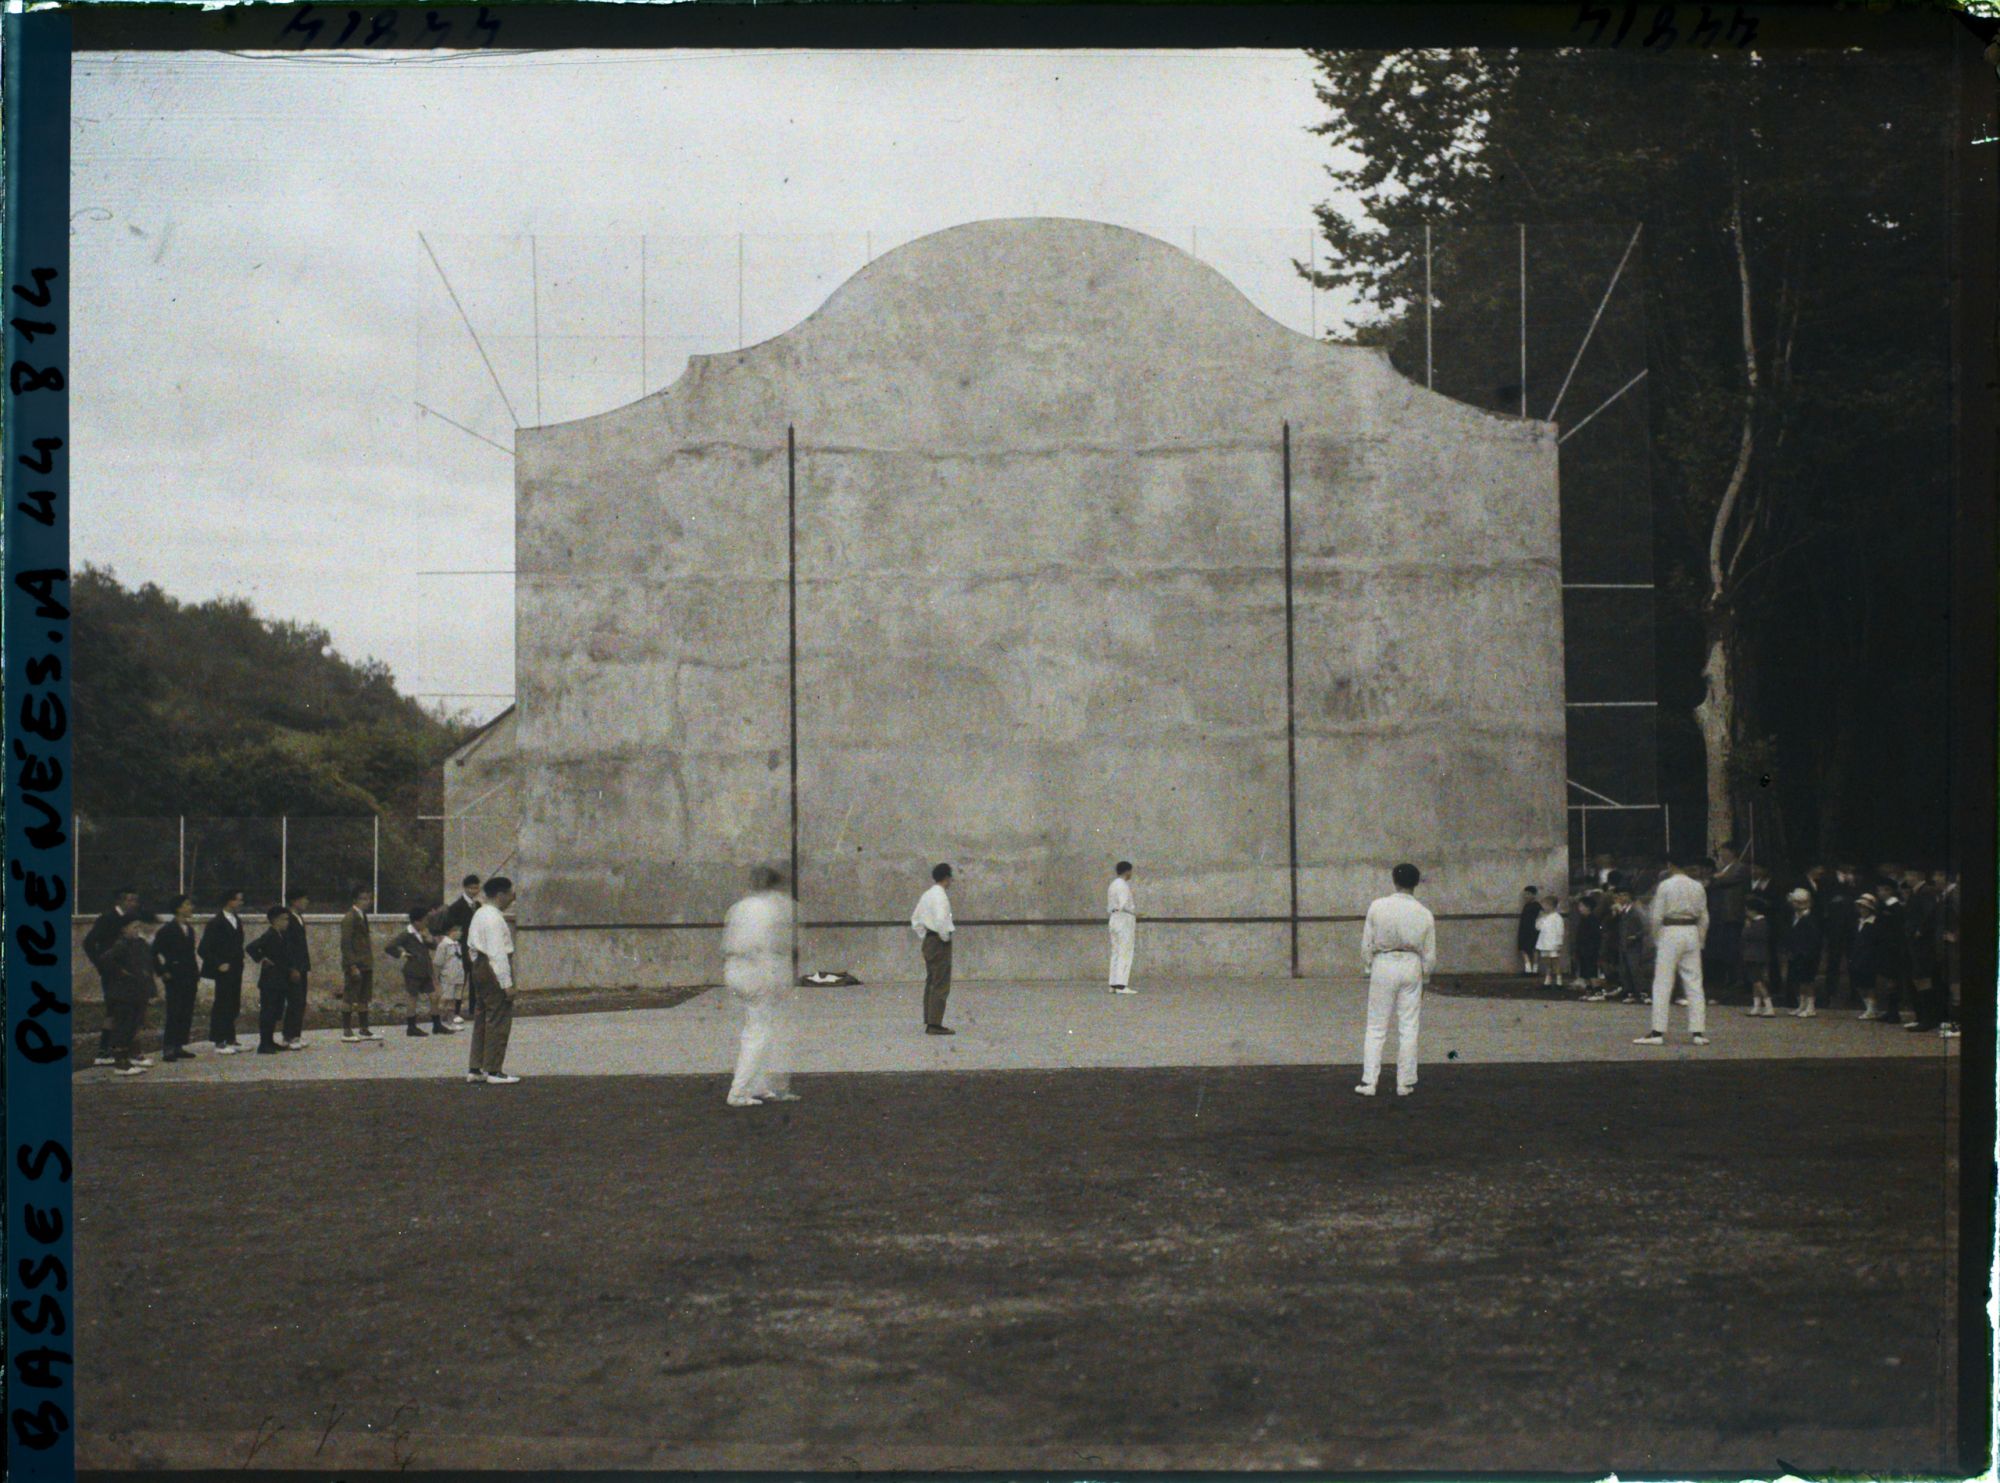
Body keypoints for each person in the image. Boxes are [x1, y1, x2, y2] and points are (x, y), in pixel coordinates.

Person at [1355, 863, 1437, 1098]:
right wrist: (1426, 976)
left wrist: (1369, 967)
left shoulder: (1378, 906)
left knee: (1376, 1026)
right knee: (1409, 1026)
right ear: (1416, 883)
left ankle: (1369, 1082)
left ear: (1394, 880)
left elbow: (1366, 942)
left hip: (1384, 963)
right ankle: (1405, 1083)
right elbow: (1429, 953)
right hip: (1412, 965)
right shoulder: (1424, 913)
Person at [722, 865, 800, 1107]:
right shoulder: (771, 908)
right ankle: (739, 1092)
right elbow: (772, 945)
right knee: (760, 1031)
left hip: (735, 970)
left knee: (757, 1027)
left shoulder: (739, 907)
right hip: (756, 971)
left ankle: (758, 1086)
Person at [1634, 852, 1709, 1047]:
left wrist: (1657, 938)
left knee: (1663, 982)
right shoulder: (1698, 886)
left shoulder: (1666, 885)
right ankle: (1698, 1032)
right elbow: (1704, 916)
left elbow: (1656, 915)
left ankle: (1657, 1031)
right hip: (1691, 931)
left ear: (1671, 865)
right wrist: (1700, 940)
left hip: (1670, 931)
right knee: (1694, 982)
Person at [466, 876, 520, 1084]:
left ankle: (476, 1067)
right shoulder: (493, 918)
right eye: (510, 894)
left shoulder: (480, 914)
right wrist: (506, 984)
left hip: (479, 966)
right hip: (492, 967)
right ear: (501, 894)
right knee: (498, 1017)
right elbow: (497, 953)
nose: (512, 899)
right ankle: (494, 1070)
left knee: (482, 1017)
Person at [84, 885, 142, 1067]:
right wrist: (102, 966)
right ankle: (104, 1050)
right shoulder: (108, 918)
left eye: (135, 900)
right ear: (120, 901)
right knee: (114, 1010)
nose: (133, 903)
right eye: (129, 900)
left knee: (130, 1011)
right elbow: (89, 943)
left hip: (129, 973)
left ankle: (125, 1049)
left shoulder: (130, 919)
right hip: (113, 972)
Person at [100, 912, 161, 1075]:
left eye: (138, 927)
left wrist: (152, 991)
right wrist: (121, 973)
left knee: (134, 1025)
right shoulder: (121, 945)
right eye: (134, 927)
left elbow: (148, 969)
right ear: (124, 929)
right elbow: (105, 961)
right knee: (123, 1026)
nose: (137, 930)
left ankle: (130, 1057)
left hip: (138, 993)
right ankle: (120, 1063)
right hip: (123, 994)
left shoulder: (140, 944)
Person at [152, 893, 202, 1062]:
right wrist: (162, 971)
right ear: (179, 908)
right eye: (188, 905)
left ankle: (179, 1045)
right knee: (174, 1011)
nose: (191, 908)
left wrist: (196, 973)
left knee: (186, 1012)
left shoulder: (189, 929)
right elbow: (153, 953)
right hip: (174, 977)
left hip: (190, 976)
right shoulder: (167, 930)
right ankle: (168, 1047)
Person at [198, 888, 248, 1053]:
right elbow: (204, 949)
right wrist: (218, 963)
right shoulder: (216, 923)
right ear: (229, 901)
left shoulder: (236, 920)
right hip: (224, 970)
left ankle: (230, 1037)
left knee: (233, 1003)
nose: (241, 903)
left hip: (235, 968)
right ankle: (219, 1040)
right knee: (222, 1003)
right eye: (238, 899)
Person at [910, 863, 956, 1036]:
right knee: (941, 982)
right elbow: (942, 920)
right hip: (939, 942)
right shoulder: (941, 896)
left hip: (929, 940)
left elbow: (915, 919)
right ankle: (935, 1024)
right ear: (947, 877)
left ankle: (929, 1018)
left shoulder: (927, 895)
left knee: (931, 980)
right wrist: (944, 938)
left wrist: (925, 934)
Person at [383, 907, 442, 1037]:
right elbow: (389, 946)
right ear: (416, 922)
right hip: (413, 970)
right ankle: (411, 1027)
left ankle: (437, 1025)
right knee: (412, 998)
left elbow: (434, 946)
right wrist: (403, 953)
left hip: (426, 969)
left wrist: (429, 939)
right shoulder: (406, 934)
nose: (427, 922)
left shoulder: (423, 932)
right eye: (425, 920)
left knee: (434, 996)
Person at [245, 906, 296, 1054]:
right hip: (270, 981)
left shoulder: (281, 935)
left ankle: (270, 1041)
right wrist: (262, 958)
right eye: (285, 919)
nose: (287, 922)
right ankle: (264, 1043)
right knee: (268, 1012)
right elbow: (251, 947)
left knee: (275, 1012)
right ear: (275, 920)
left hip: (280, 980)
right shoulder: (270, 935)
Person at [1706, 842, 1750, 1003]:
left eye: (1723, 851)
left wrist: (1713, 878)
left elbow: (1726, 880)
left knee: (1734, 949)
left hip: (1733, 915)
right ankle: (1727, 982)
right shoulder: (1721, 870)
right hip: (1721, 917)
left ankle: (1738, 983)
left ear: (1731, 852)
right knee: (1724, 950)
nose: (1721, 855)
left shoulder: (1740, 868)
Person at [338, 886, 380, 1044]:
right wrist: (352, 965)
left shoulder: (362, 916)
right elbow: (346, 943)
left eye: (368, 898)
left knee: (364, 997)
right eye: (363, 898)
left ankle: (364, 1029)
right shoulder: (350, 917)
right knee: (350, 997)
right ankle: (347, 1031)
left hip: (365, 963)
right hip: (355, 964)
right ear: (355, 900)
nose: (367, 902)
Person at [440, 874, 485, 1019]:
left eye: (476, 888)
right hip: (461, 949)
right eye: (471, 888)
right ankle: (456, 1012)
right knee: (460, 981)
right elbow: (450, 928)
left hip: (475, 947)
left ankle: (474, 1010)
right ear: (465, 888)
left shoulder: (478, 906)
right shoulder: (456, 907)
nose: (474, 891)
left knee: (476, 981)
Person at [1819, 866, 1858, 1007]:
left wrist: (1852, 883)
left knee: (1853, 960)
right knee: (1833, 960)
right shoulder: (1828, 879)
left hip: (1851, 926)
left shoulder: (1855, 879)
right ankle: (1830, 992)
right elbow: (1824, 898)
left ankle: (1856, 993)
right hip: (1835, 926)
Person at [280, 888, 313, 1048]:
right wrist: (293, 967)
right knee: (294, 1000)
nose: (306, 902)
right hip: (294, 967)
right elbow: (288, 945)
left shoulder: (299, 917)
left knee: (300, 1001)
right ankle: (289, 1036)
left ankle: (295, 1035)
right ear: (294, 901)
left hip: (302, 965)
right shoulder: (289, 919)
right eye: (304, 899)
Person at [1783, 888, 1823, 1017]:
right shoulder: (1793, 916)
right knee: (1799, 981)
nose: (1795, 905)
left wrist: (1807, 953)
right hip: (1796, 954)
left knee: (1808, 981)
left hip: (1808, 954)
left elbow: (1814, 939)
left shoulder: (1810, 918)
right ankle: (1802, 1005)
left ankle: (1811, 1007)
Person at [1850, 893, 1883, 1020]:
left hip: (1870, 957)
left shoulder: (1875, 923)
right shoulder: (1858, 922)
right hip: (1857, 955)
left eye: (1864, 907)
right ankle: (1868, 1006)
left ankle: (1872, 1008)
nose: (1862, 910)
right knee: (1859, 983)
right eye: (1860, 907)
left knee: (1869, 983)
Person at [1107, 861, 1138, 995]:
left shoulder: (1113, 885)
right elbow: (1123, 904)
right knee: (1125, 951)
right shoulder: (1123, 886)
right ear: (1127, 871)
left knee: (1116, 952)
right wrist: (1135, 913)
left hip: (1114, 919)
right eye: (1130, 871)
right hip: (1123, 919)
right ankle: (1121, 985)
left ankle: (1113, 984)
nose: (1131, 874)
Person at [432, 924, 469, 1029]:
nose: (460, 933)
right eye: (458, 931)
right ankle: (439, 1021)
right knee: (445, 999)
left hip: (458, 976)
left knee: (454, 1000)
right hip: (448, 977)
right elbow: (438, 963)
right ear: (452, 932)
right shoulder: (443, 945)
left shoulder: (457, 945)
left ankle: (450, 1021)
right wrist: (436, 979)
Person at [1741, 902, 1774, 1017]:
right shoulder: (1760, 923)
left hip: (1755, 955)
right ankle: (1757, 1006)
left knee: (1759, 981)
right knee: (1755, 982)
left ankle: (1769, 1006)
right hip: (1756, 955)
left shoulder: (1759, 924)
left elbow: (1748, 936)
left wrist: (1747, 928)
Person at [1571, 890, 1604, 993]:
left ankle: (1597, 990)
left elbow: (1595, 936)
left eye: (1581, 906)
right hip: (1583, 949)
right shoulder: (1583, 919)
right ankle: (1589, 990)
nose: (1579, 908)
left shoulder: (1593, 920)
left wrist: (1593, 949)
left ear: (1588, 907)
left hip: (1590, 950)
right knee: (1585, 972)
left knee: (1592, 971)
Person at [1535, 895, 1565, 987]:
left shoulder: (1557, 917)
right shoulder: (1544, 917)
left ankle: (1559, 980)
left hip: (1553, 943)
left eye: (1544, 905)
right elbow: (1538, 927)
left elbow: (1560, 930)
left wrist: (1559, 942)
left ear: (1550, 906)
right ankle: (1548, 979)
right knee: (1547, 961)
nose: (1543, 907)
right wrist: (1539, 918)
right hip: (1544, 942)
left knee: (1555, 961)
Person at [1515, 886, 1541, 975]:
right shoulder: (1526, 906)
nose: (1526, 896)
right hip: (1524, 930)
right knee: (1523, 949)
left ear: (1534, 895)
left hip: (1533, 930)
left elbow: (1540, 918)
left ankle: (1535, 970)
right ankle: (1528, 969)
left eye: (1528, 894)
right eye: (1525, 894)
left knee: (1534, 949)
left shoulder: (1537, 906)